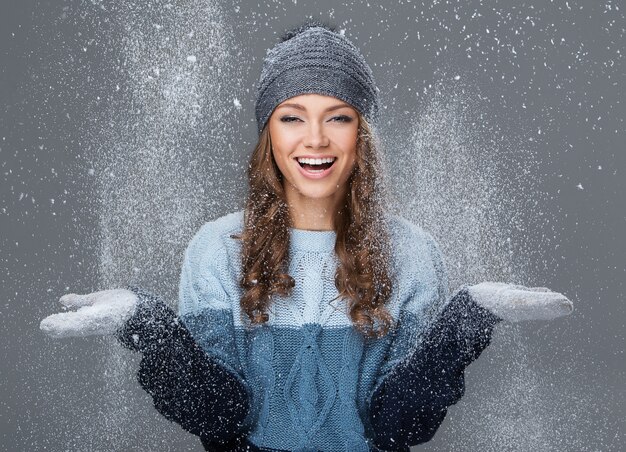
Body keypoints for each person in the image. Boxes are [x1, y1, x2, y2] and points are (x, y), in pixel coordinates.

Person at [40, 21, 574, 452]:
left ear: (361, 134)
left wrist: (469, 318)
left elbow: (397, 424)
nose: (315, 139)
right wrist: (145, 322)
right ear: (268, 132)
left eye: (337, 118)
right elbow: (218, 414)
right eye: (292, 116)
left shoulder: (412, 253)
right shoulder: (215, 249)